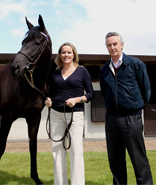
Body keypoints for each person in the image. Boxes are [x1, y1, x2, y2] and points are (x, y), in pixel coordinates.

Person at [100, 32, 153, 185]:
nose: (112, 47)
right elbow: (105, 92)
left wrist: (135, 108)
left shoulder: (136, 64)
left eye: (115, 44)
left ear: (122, 45)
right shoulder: (104, 70)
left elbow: (146, 90)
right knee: (115, 160)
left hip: (132, 118)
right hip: (111, 119)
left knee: (138, 158)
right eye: (109, 45)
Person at [45, 42, 94, 185]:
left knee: (76, 151)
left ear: (74, 54)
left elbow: (91, 94)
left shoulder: (82, 71)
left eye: (69, 52)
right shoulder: (54, 73)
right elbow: (50, 93)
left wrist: (77, 99)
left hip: (75, 114)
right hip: (56, 114)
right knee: (57, 151)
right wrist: (48, 101)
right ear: (60, 55)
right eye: (63, 52)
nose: (66, 55)